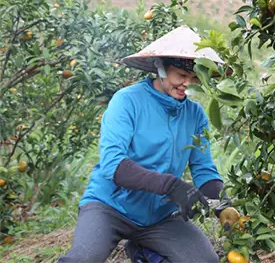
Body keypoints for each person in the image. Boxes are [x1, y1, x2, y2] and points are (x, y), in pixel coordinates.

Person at [58, 26, 227, 263]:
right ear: (161, 68)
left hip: (161, 216)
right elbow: (113, 165)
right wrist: (171, 186)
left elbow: (203, 169)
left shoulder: (195, 115)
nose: (187, 83)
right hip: (110, 207)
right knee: (82, 259)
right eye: (180, 75)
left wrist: (224, 205)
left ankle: (143, 252)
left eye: (193, 77)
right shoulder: (127, 101)